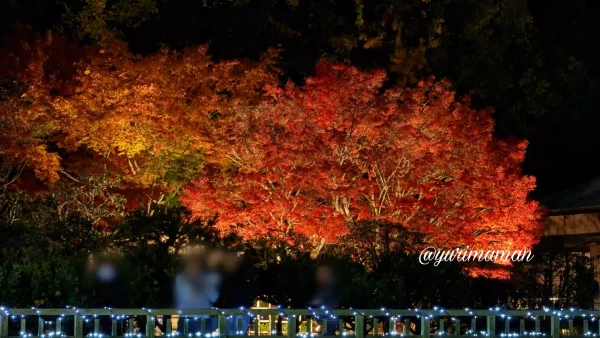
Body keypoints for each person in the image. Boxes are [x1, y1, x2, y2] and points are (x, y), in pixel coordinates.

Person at [174, 249, 221, 335]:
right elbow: (188, 294)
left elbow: (214, 297)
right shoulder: (182, 278)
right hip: (186, 318)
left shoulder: (207, 279)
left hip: (204, 319)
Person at [308, 264, 340, 336]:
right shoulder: (322, 286)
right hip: (326, 315)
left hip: (329, 316)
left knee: (329, 331)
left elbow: (330, 299)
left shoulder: (330, 286)